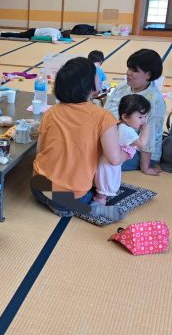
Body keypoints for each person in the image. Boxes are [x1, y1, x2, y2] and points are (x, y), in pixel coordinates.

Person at [32, 57, 129, 221]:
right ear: (89, 84)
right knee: (104, 181)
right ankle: (91, 207)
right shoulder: (103, 117)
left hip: (38, 186)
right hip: (72, 196)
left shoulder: (51, 111)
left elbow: (39, 151)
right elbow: (114, 159)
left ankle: (59, 203)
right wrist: (128, 152)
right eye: (96, 75)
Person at [104, 49, 166, 175]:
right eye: (129, 68)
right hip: (112, 139)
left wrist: (145, 167)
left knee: (96, 159)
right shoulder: (122, 87)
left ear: (148, 75)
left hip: (135, 150)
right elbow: (106, 111)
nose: (128, 73)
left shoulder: (154, 100)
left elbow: (148, 138)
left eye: (134, 70)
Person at [94, 94, 151, 205]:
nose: (144, 121)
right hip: (109, 164)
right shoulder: (127, 130)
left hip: (106, 160)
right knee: (104, 188)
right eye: (140, 117)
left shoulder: (119, 124)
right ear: (125, 117)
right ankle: (98, 205)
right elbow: (141, 144)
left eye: (145, 117)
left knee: (103, 183)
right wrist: (146, 129)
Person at [0, 28, 71, 44]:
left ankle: (3, 32)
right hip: (32, 33)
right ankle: (1, 34)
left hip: (34, 30)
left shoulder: (56, 31)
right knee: (17, 35)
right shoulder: (55, 34)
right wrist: (64, 42)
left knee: (19, 34)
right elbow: (54, 42)